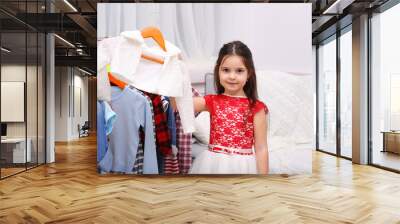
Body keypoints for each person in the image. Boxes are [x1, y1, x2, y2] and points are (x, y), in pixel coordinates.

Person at [190, 41, 269, 174]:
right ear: (218, 71)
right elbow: (179, 104)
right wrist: (176, 70)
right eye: (226, 70)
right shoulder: (211, 101)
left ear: (249, 73)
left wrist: (264, 182)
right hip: (213, 165)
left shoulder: (256, 107)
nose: (232, 76)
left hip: (244, 167)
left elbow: (261, 148)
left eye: (239, 71)